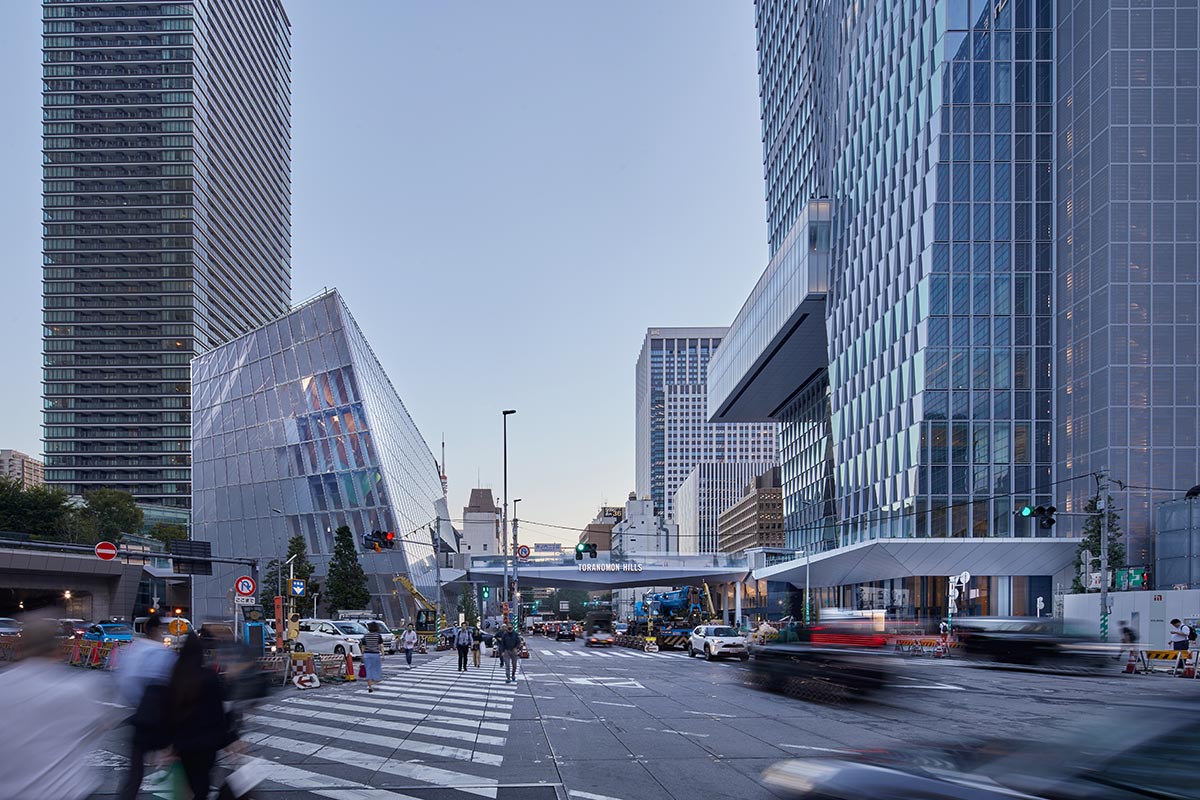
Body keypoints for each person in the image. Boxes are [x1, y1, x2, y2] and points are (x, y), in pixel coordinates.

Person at [0, 619, 113, 800]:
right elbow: (99, 726)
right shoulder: (77, 689)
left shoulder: (3, 686)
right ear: (56, 649)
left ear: (20, 647)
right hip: (62, 791)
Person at [168, 633, 237, 800]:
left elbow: (169, 712)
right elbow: (220, 710)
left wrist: (168, 743)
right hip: (207, 742)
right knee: (203, 782)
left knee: (192, 783)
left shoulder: (176, 677)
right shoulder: (210, 677)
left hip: (184, 743)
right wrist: (229, 739)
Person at [117, 613, 178, 800]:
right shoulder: (164, 654)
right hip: (163, 718)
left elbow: (124, 682)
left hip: (140, 717)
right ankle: (168, 795)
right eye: (161, 630)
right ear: (155, 630)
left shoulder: (131, 651)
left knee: (135, 771)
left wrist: (139, 704)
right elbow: (173, 685)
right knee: (171, 764)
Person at [361, 621, 384, 692]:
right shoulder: (378, 636)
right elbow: (381, 646)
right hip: (375, 654)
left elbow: (363, 646)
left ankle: (369, 686)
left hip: (367, 654)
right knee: (376, 669)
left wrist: (362, 655)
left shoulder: (365, 636)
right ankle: (375, 680)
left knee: (368, 669)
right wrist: (383, 654)